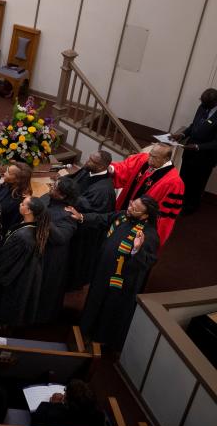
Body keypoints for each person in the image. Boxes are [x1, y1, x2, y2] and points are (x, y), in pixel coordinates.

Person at [68, 196, 160, 351]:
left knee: (109, 309)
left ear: (145, 216)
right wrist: (81, 216)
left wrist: (137, 249)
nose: (130, 208)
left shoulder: (149, 235)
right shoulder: (123, 216)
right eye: (132, 204)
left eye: (135, 209)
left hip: (121, 281)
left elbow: (148, 262)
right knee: (95, 299)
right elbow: (103, 218)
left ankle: (101, 339)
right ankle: (86, 328)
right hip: (103, 272)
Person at [0, 196, 48, 328]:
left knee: (4, 306)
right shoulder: (29, 227)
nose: (20, 204)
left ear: (28, 211)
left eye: (23, 203)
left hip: (13, 278)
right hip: (18, 274)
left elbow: (7, 259)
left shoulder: (24, 237)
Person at [108, 143, 183, 246]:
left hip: (138, 228)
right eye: (150, 155)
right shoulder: (143, 159)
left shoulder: (174, 183)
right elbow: (125, 168)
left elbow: (164, 217)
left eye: (154, 157)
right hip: (123, 212)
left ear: (165, 159)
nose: (150, 159)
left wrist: (148, 239)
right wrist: (111, 169)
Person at [68, 150, 117, 289]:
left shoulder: (104, 190)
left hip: (85, 231)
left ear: (102, 167)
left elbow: (97, 215)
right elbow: (73, 180)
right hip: (72, 219)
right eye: (89, 158)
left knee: (77, 260)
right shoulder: (88, 169)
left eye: (91, 161)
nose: (86, 162)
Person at [36, 177, 78, 323]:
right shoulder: (47, 197)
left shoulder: (69, 215)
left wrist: (44, 215)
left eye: (55, 186)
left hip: (50, 259)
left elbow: (60, 238)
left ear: (63, 195)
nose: (51, 187)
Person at [174, 88, 217, 215]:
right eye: (202, 102)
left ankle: (190, 208)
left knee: (197, 184)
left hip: (205, 158)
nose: (203, 106)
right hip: (189, 152)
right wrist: (182, 134)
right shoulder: (203, 106)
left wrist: (198, 147)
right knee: (184, 178)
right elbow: (194, 125)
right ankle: (179, 203)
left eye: (206, 104)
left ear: (215, 102)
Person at [31, 379, 106, 426]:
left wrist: (53, 404)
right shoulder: (99, 417)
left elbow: (35, 424)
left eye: (65, 391)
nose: (64, 393)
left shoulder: (53, 415)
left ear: (67, 401)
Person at [0, 162, 33, 236]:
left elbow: (12, 224)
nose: (4, 173)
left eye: (8, 172)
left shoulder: (21, 201)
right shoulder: (6, 185)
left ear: (16, 179)